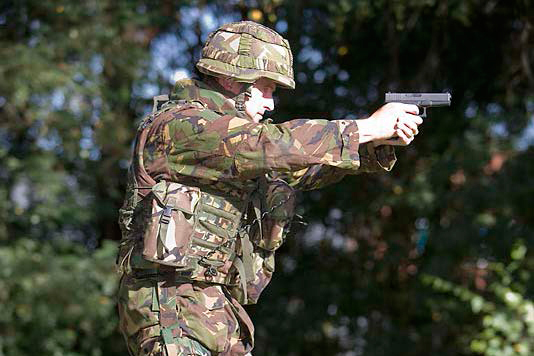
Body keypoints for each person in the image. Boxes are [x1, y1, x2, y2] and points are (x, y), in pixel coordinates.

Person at [116, 20, 422, 356]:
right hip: (169, 307)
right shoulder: (180, 126)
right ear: (232, 79)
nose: (271, 104)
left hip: (214, 308)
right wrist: (362, 128)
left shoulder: (239, 147)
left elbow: (301, 168)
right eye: (267, 88)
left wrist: (375, 144)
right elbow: (269, 145)